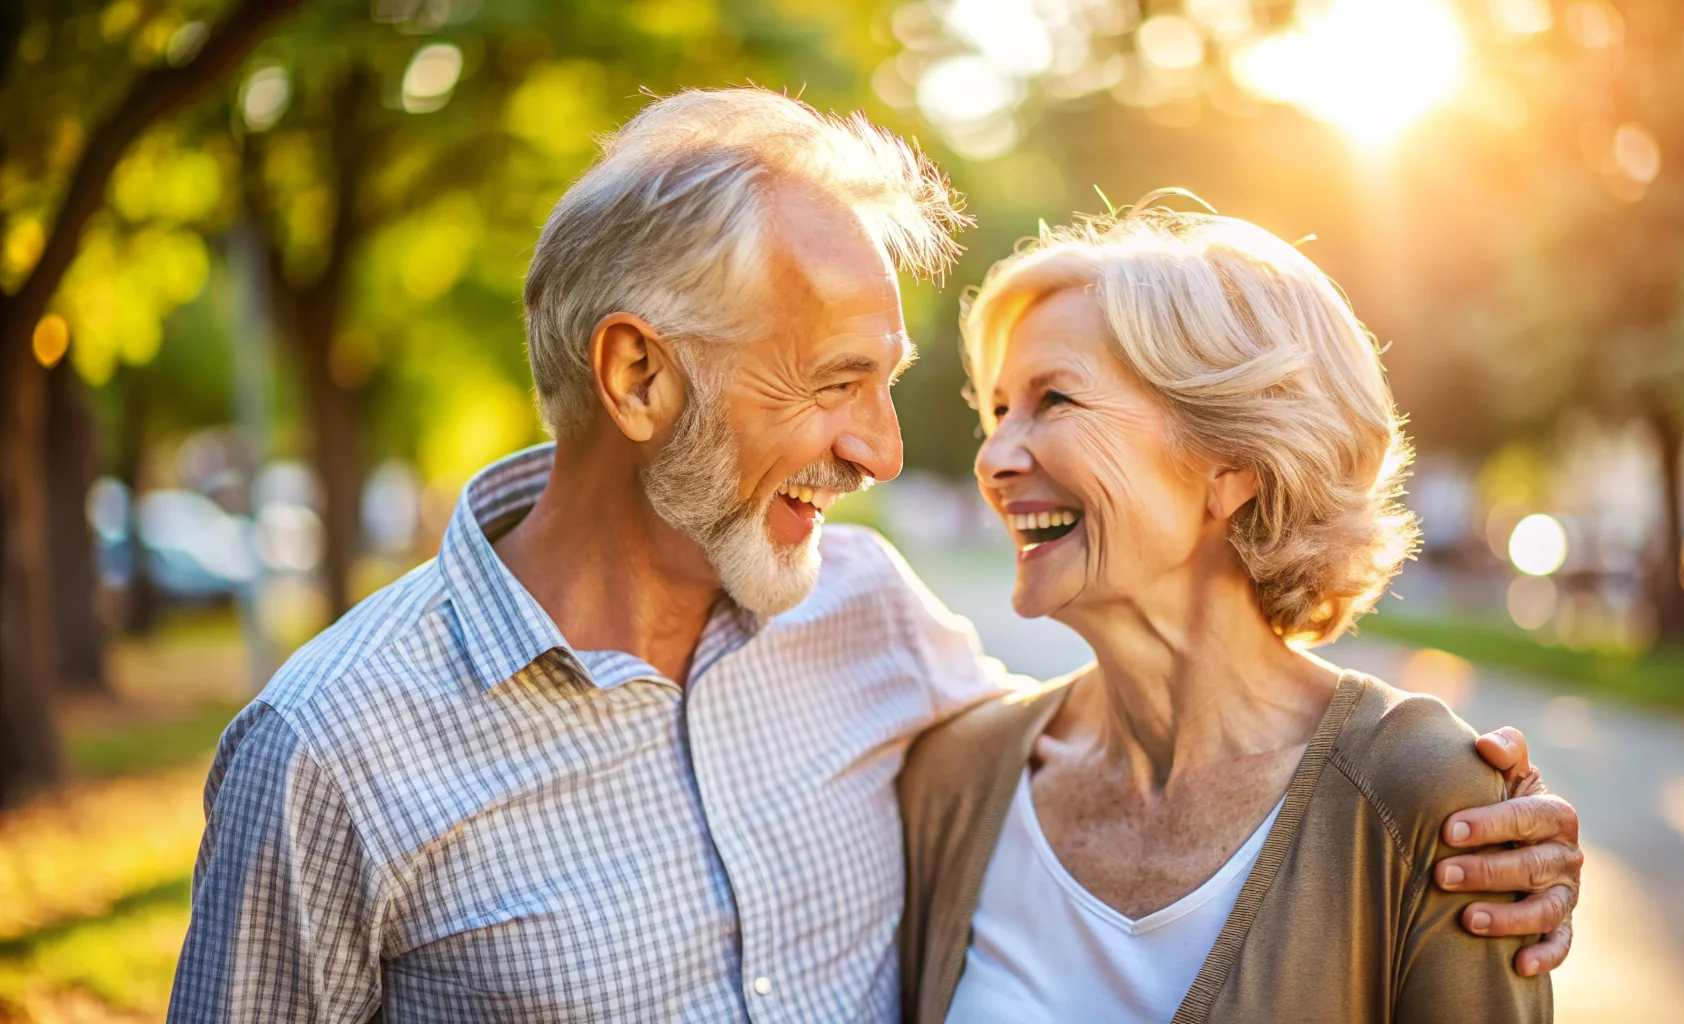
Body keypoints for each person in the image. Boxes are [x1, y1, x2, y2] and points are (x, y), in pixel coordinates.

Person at [168, 91, 1578, 1022]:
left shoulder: (872, 623)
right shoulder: (325, 754)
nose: (890, 455)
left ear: (1233, 470)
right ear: (640, 377)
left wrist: (1470, 817)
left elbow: (1227, 739)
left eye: (894, 387)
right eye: (835, 382)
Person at [899, 197, 1566, 1022]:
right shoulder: (954, 778)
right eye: (998, 412)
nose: (994, 457)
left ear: (1232, 463)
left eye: (1054, 401)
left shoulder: (1424, 795)